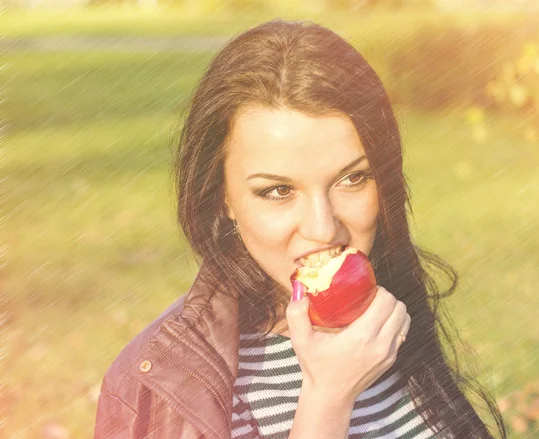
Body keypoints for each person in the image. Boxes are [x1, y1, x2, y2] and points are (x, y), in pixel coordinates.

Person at [94, 19, 507, 439]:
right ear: (223, 198)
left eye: (352, 179)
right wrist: (328, 399)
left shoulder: (388, 316)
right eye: (277, 190)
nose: (323, 228)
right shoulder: (164, 387)